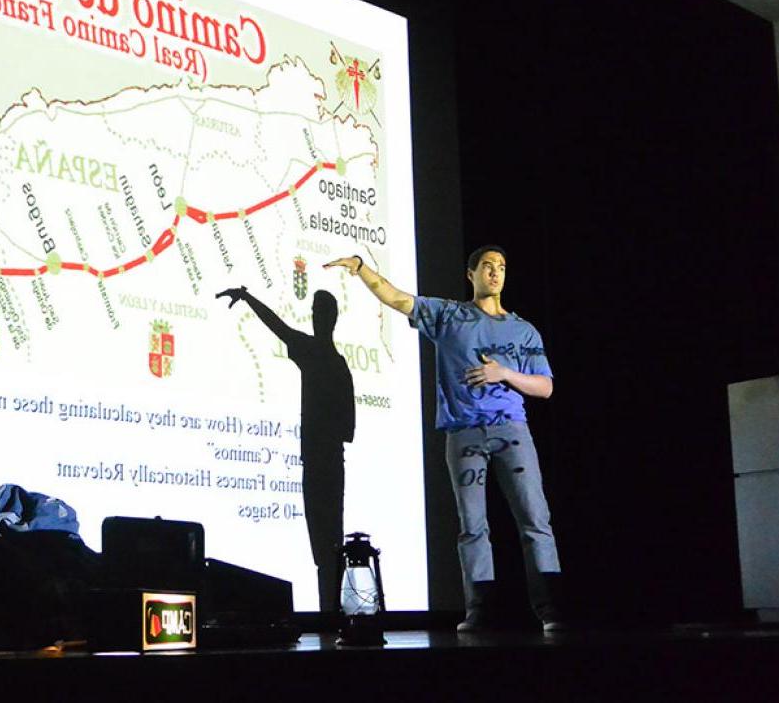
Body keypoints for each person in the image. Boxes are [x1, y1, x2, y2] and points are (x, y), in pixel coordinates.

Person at [325, 247, 565, 632]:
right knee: (472, 525)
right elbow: (396, 297)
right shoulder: (449, 315)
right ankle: (480, 611)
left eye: (502, 267)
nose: (495, 272)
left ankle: (552, 610)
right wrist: (360, 268)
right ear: (470, 274)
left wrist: (503, 373)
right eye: (487, 266)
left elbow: (545, 387)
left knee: (535, 520)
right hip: (464, 432)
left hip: (512, 432)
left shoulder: (523, 330)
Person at [216, 286, 355, 615]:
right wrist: (249, 298)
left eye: (320, 312)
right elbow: (348, 427)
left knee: (326, 547)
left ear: (326, 318)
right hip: (329, 460)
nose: (317, 318)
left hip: (323, 461)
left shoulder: (322, 357)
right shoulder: (335, 362)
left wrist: (248, 298)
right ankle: (330, 613)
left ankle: (330, 615)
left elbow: (278, 326)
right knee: (327, 545)